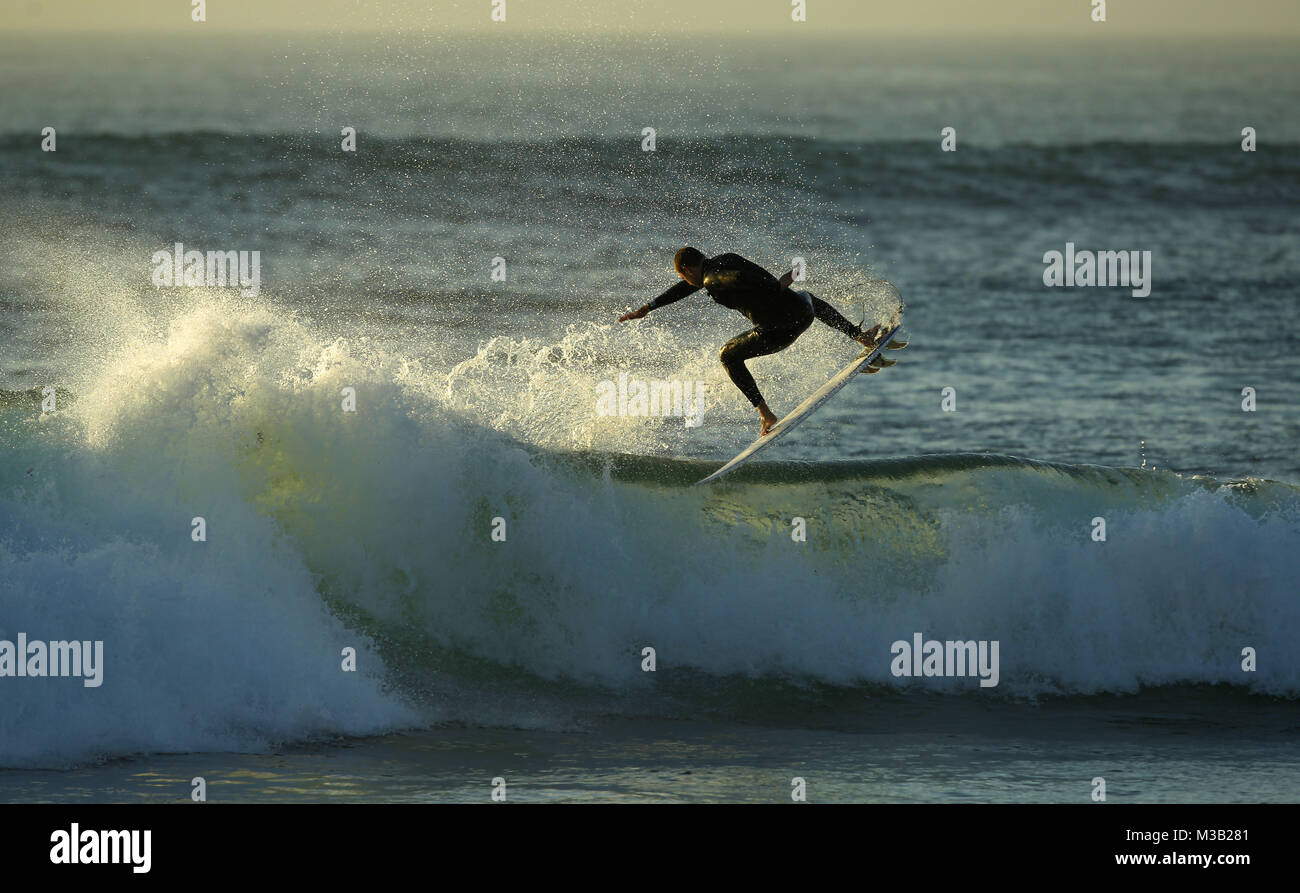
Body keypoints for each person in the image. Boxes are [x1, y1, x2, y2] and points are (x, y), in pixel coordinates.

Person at [618, 246, 885, 435]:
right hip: (804, 312)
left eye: (684, 276)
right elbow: (698, 283)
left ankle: (765, 413)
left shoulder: (714, 279)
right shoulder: (724, 259)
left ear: (687, 269)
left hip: (779, 332)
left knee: (727, 356)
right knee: (807, 297)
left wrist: (776, 284)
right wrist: (649, 306)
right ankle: (860, 336)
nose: (687, 282)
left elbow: (734, 279)